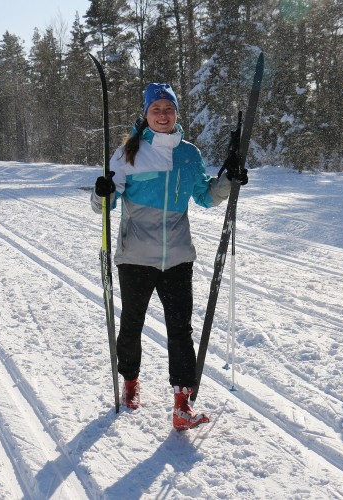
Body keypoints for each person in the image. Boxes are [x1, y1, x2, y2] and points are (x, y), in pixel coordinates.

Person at [91, 83, 248, 430]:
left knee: (181, 329)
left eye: (169, 108)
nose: (163, 114)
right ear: (145, 114)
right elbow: (105, 203)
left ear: (177, 113)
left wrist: (228, 180)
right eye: (156, 108)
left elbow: (205, 196)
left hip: (178, 255)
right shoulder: (127, 153)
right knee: (132, 324)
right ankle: (130, 382)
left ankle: (182, 406)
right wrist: (101, 193)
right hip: (135, 256)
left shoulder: (189, 154)